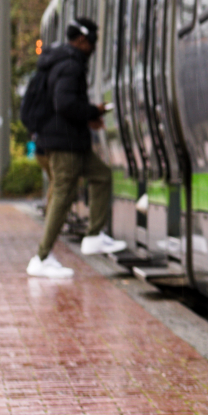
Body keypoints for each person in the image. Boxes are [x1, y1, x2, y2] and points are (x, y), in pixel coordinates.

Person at [27, 18, 126, 278]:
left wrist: (88, 116)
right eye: (92, 41)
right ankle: (42, 256)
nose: (93, 47)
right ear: (81, 41)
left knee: (102, 176)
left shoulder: (62, 62)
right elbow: (65, 103)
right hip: (64, 144)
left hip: (70, 141)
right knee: (62, 195)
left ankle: (94, 235)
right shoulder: (70, 65)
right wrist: (93, 110)